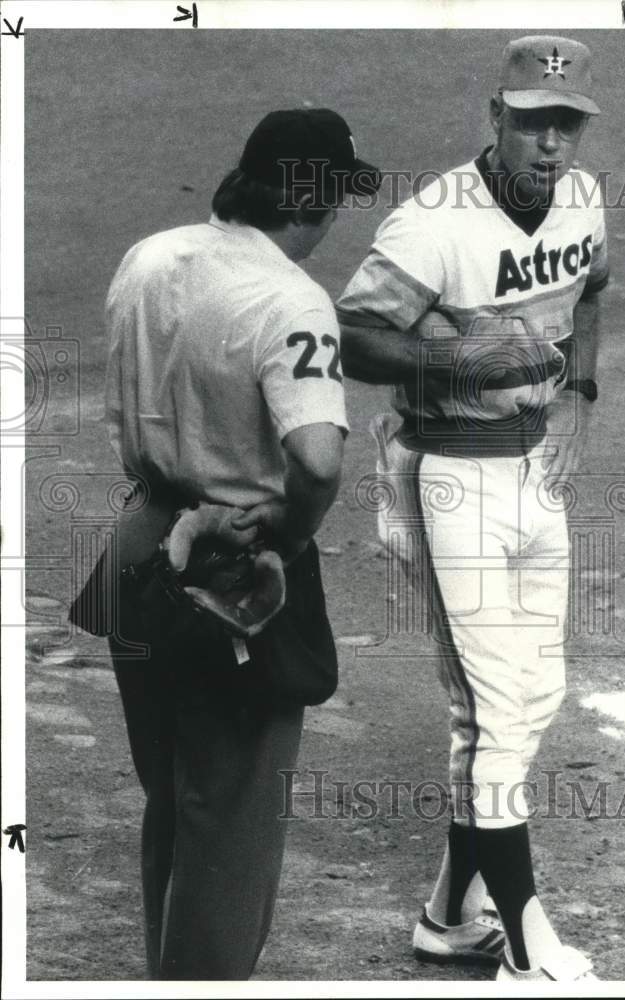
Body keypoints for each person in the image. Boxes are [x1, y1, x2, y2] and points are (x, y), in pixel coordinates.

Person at [337, 36, 607, 982]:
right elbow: (354, 337)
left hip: (539, 473)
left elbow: (591, 291)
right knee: (497, 705)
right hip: (449, 476)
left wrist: (581, 391)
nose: (550, 144)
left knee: (527, 700)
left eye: (565, 124)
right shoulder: (431, 225)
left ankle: (449, 914)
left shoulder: (581, 198)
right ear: (496, 117)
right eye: (532, 122)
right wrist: (452, 361)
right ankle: (529, 940)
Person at [94, 109, 379, 979]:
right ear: (316, 202)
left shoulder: (148, 255)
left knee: (175, 802)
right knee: (232, 828)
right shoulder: (293, 300)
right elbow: (318, 460)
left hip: (140, 550)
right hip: (228, 574)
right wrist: (287, 539)